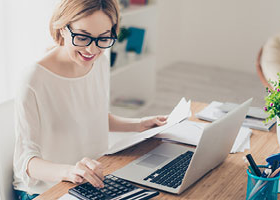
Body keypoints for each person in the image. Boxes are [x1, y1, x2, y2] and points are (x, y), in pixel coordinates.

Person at [12, 0, 167, 199]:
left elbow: (94, 116)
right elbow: (26, 161)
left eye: (103, 38)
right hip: (47, 190)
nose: (92, 50)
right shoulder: (33, 79)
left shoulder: (99, 61)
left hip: (94, 182)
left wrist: (138, 125)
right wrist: (69, 171)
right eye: (83, 37)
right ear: (62, 28)